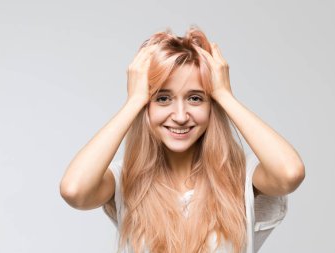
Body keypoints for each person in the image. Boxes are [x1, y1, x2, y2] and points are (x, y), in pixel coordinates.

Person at [60, 25, 305, 253]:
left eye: (195, 98)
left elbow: (289, 173)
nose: (179, 116)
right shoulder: (126, 180)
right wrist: (133, 101)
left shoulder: (241, 179)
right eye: (163, 98)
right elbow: (74, 191)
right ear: (147, 105)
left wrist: (224, 94)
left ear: (212, 106)